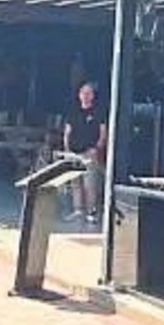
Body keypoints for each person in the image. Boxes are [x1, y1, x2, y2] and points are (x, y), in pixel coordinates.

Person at [63, 82, 107, 224]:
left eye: (88, 93)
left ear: (93, 96)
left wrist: (97, 149)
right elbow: (67, 133)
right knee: (76, 183)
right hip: (74, 154)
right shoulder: (73, 112)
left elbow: (103, 133)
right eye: (83, 93)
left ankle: (91, 212)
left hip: (90, 154)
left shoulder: (98, 113)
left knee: (90, 185)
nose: (85, 96)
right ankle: (78, 210)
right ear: (79, 95)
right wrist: (67, 151)